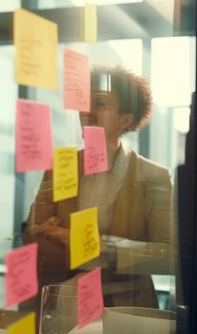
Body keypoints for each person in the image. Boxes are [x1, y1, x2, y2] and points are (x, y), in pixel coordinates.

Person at [22, 66, 174, 309]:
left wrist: (96, 246)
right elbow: (31, 234)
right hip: (63, 303)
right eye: (84, 103)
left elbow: (170, 257)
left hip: (127, 308)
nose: (86, 112)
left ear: (125, 120)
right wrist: (40, 232)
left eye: (100, 103)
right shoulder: (62, 167)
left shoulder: (153, 176)